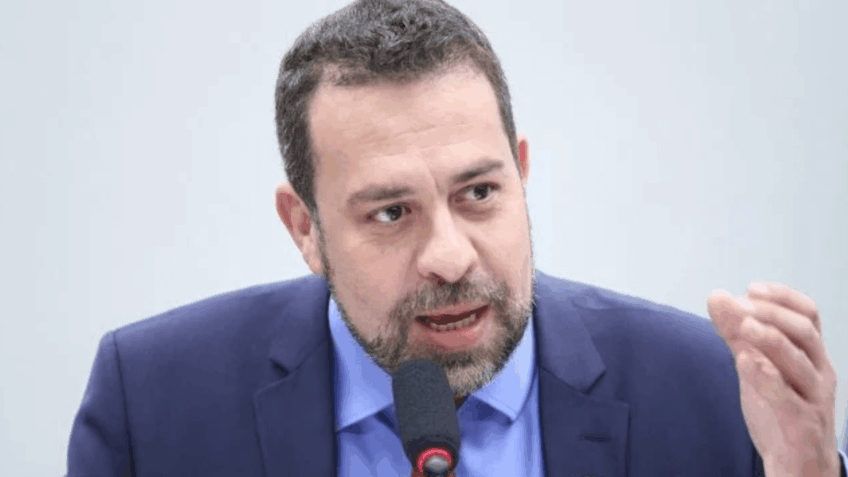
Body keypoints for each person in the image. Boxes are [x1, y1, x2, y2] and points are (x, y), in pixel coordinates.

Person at [66, 0, 846, 476]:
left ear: (522, 172)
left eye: (478, 193)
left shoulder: (713, 395)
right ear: (305, 227)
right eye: (390, 213)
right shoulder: (155, 404)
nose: (450, 255)